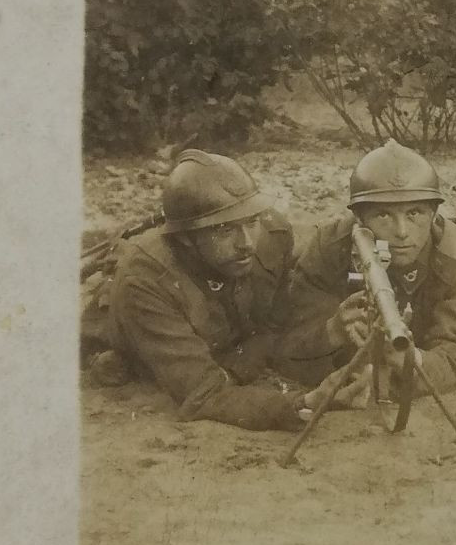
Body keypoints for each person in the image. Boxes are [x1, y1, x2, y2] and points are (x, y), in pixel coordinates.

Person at [104, 150, 364, 431]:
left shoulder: (272, 235)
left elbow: (275, 328)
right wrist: (306, 403)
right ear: (186, 239)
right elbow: (203, 394)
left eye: (251, 221)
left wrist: (331, 331)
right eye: (224, 230)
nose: (247, 243)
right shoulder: (147, 280)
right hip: (153, 338)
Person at [282, 140, 456, 397]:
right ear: (360, 218)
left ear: (433, 214)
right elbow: (290, 345)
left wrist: (414, 360)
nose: (402, 233)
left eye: (415, 213)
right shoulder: (329, 247)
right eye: (383, 216)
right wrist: (333, 331)